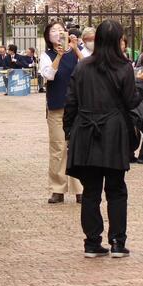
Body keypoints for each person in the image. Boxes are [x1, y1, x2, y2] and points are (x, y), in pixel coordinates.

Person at [63, 20, 143, 258]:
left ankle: (92, 242)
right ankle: (117, 242)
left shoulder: (83, 67)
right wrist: (142, 83)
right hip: (113, 132)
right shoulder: (123, 67)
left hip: (86, 130)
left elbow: (70, 102)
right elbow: (130, 102)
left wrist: (69, 133)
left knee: (91, 191)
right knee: (116, 189)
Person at [39, 21, 83, 204]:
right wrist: (58, 56)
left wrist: (75, 48)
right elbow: (49, 75)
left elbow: (90, 66)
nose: (57, 33)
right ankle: (58, 189)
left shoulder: (77, 51)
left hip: (79, 106)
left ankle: (81, 188)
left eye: (60, 30)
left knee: (79, 147)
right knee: (58, 147)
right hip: (57, 107)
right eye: (53, 31)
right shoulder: (46, 55)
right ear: (48, 37)